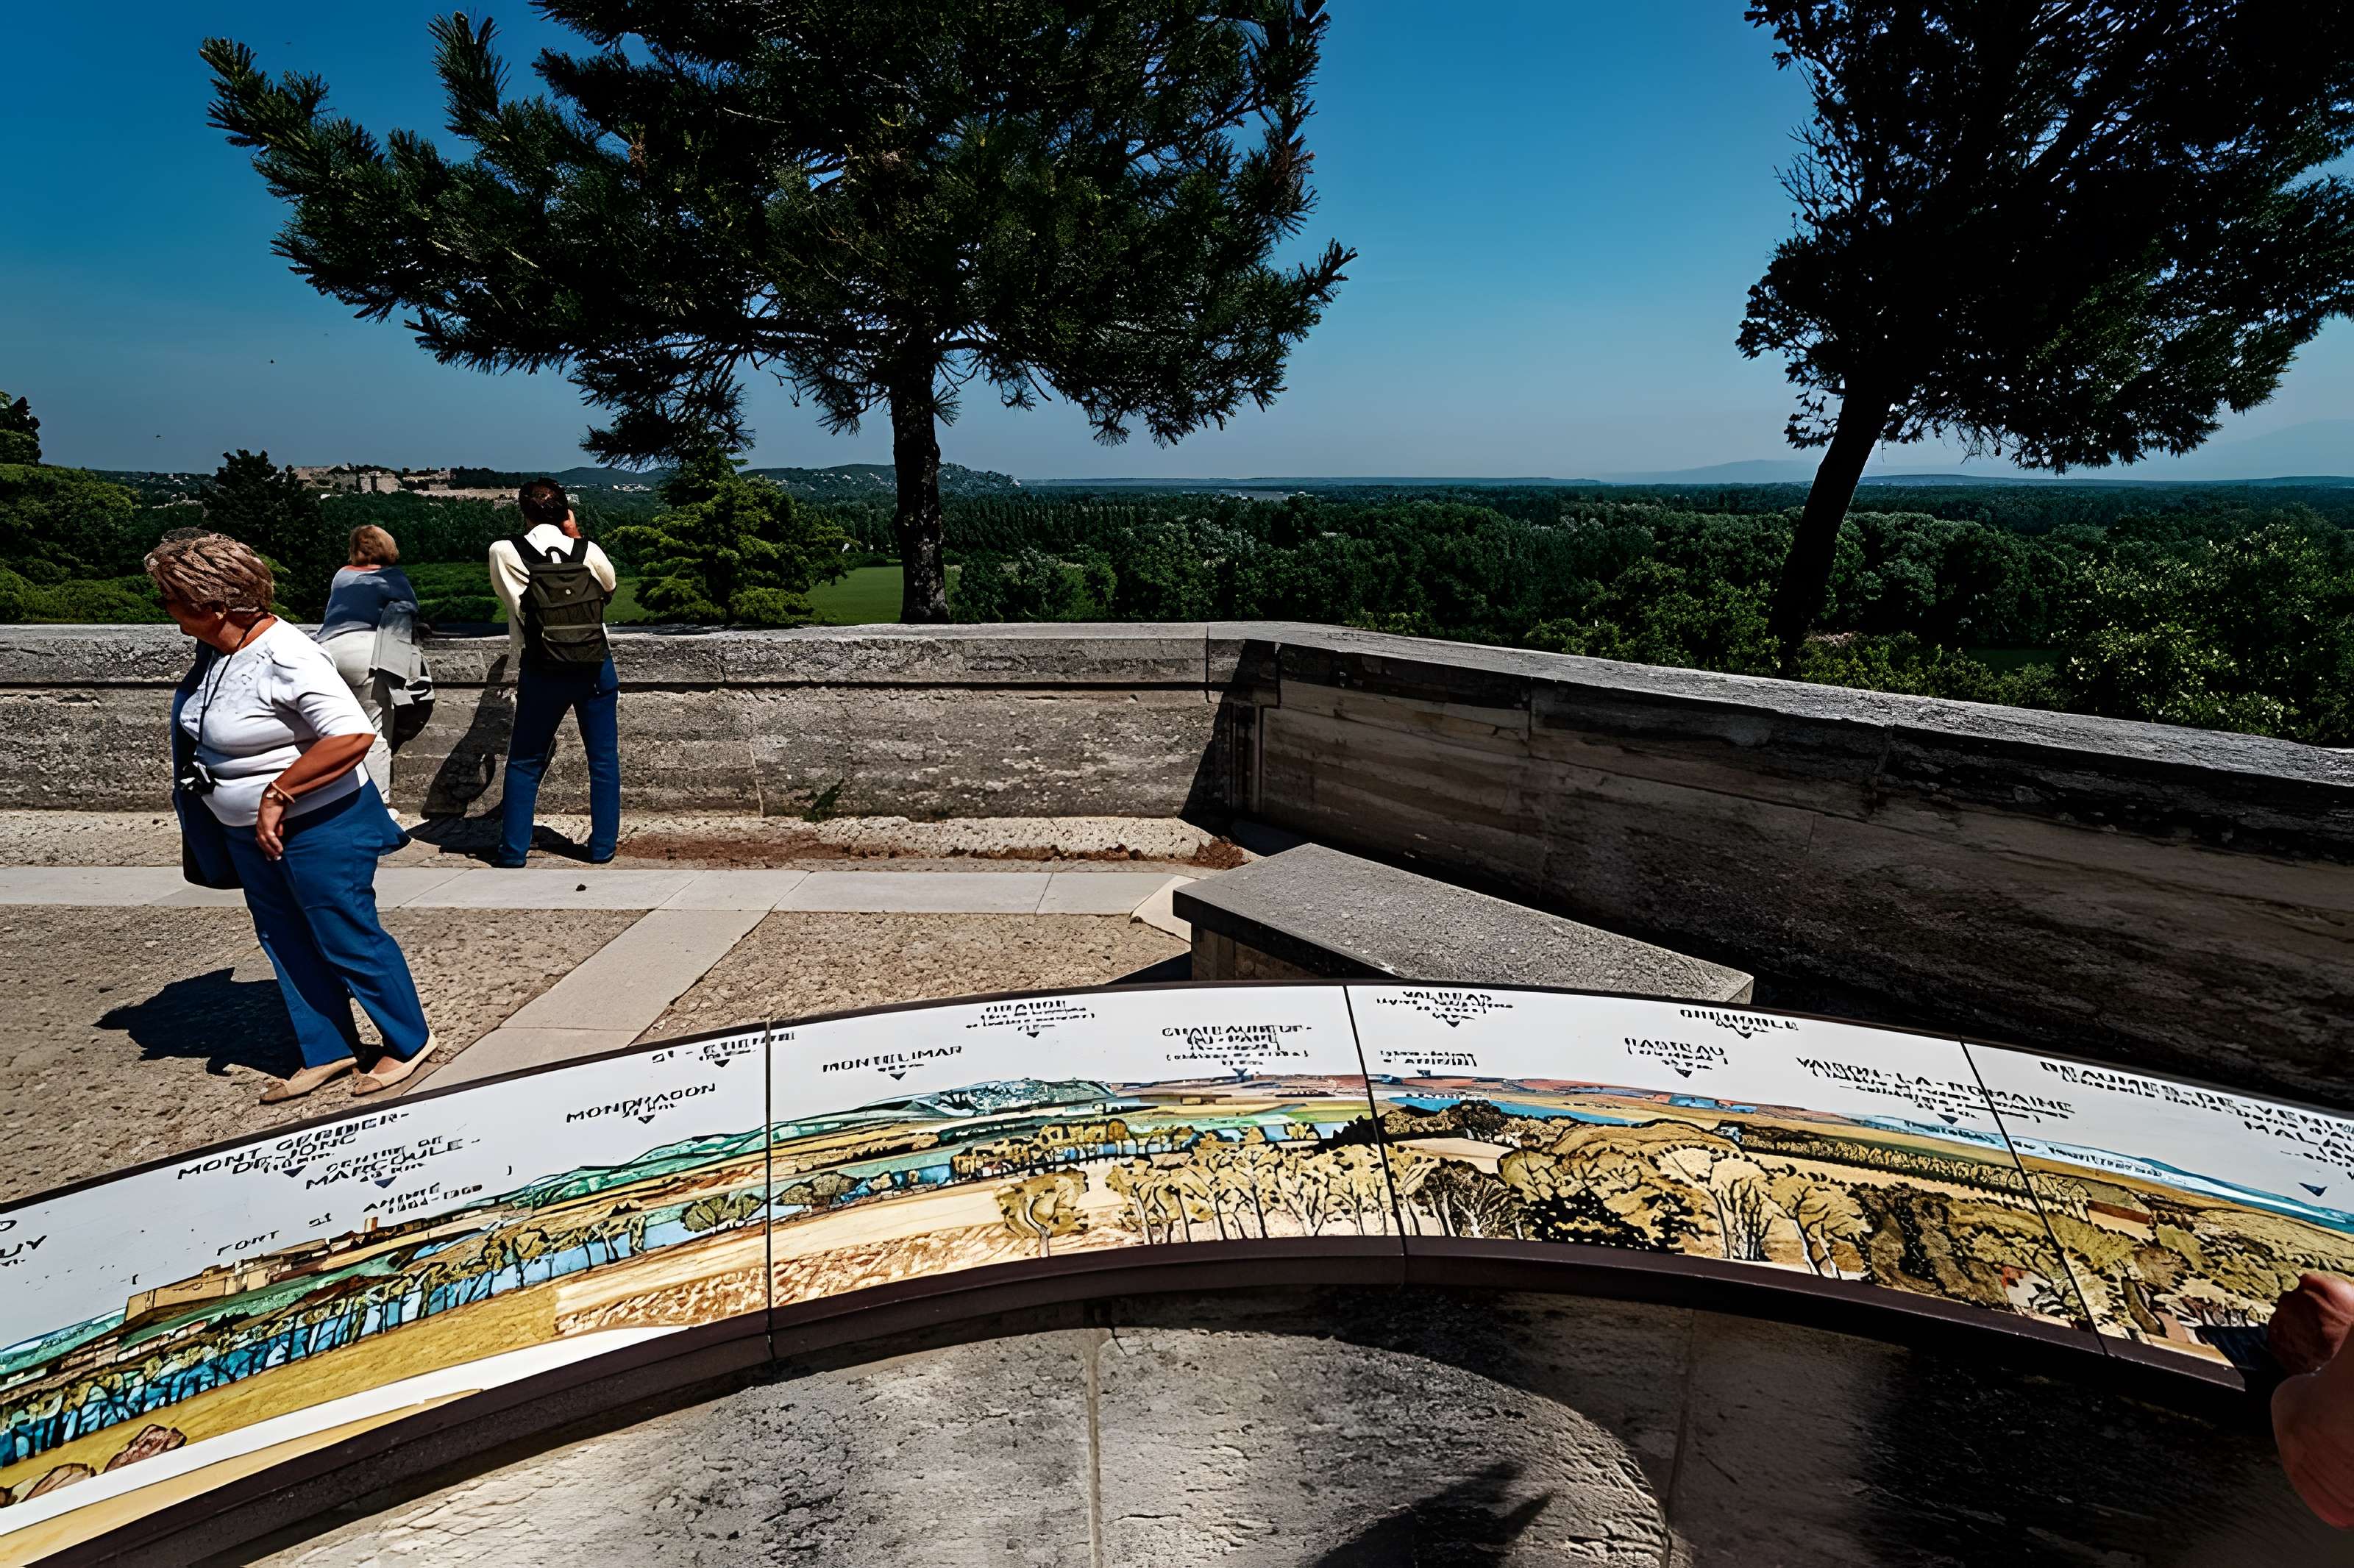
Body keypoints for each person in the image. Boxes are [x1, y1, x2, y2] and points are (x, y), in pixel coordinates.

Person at [148, 532, 434, 1100]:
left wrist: (278, 794)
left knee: (343, 933)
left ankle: (408, 1041)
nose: (166, 610)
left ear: (214, 606)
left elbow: (350, 736)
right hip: (247, 832)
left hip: (319, 825)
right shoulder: (216, 652)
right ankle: (327, 1050)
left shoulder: (288, 654)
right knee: (282, 934)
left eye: (170, 598)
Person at [486, 477, 619, 867]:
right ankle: (601, 848)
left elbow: (508, 598)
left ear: (524, 511)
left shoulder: (504, 551)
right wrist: (575, 535)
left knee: (525, 758)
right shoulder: (587, 549)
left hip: (542, 664)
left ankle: (513, 851)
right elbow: (609, 586)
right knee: (603, 760)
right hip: (595, 664)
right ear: (564, 511)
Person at [314, 524, 418, 797]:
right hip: (365, 653)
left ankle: (338, 798)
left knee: (337, 730)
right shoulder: (392, 576)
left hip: (327, 651)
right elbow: (410, 610)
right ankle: (378, 806)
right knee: (374, 731)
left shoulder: (342, 575)